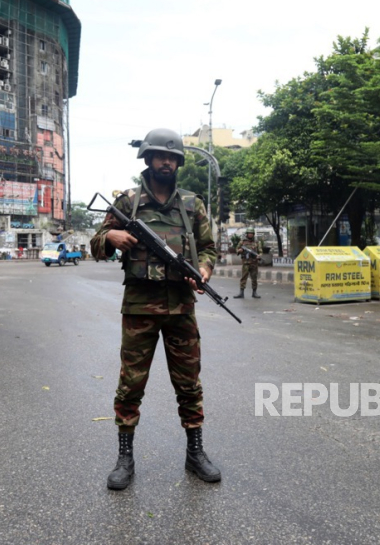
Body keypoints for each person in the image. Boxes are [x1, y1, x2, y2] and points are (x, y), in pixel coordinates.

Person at [90, 128, 221, 491]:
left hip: (181, 307)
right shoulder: (127, 202)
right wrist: (111, 238)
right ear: (147, 159)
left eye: (173, 157)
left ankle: (195, 452)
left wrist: (205, 270)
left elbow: (209, 248)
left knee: (189, 384)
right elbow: (96, 245)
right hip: (138, 309)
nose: (167, 161)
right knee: (130, 384)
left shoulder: (193, 205)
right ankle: (124, 457)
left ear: (179, 162)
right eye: (160, 155)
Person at [233, 227, 260, 299]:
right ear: (247, 234)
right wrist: (240, 250)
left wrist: (258, 256)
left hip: (254, 263)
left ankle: (254, 292)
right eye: (249, 233)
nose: (250, 235)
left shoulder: (257, 242)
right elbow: (237, 249)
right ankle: (241, 293)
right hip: (245, 263)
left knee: (254, 278)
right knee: (244, 277)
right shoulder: (242, 242)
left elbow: (260, 251)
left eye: (252, 233)